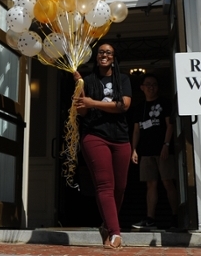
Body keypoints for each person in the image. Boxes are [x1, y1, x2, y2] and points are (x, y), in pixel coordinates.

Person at [72, 43, 132, 249]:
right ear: (96, 57)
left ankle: (107, 226)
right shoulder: (88, 81)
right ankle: (116, 234)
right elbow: (82, 112)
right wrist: (79, 92)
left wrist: (93, 102)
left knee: (120, 187)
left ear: (114, 57)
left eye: (108, 53)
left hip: (121, 138)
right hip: (95, 136)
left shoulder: (122, 79)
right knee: (105, 185)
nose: (104, 55)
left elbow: (123, 105)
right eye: (100, 52)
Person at [130, 74, 179, 230]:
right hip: (146, 151)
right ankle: (150, 218)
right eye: (148, 84)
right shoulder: (139, 107)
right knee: (151, 184)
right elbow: (136, 130)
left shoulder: (164, 103)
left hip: (163, 150)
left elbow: (170, 125)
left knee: (167, 182)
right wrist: (134, 149)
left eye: (154, 84)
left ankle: (177, 216)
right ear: (142, 88)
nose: (151, 87)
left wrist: (166, 144)